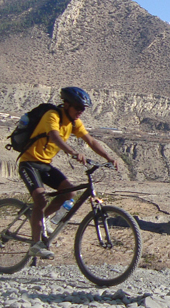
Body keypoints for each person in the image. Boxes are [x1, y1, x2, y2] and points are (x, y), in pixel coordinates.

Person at [18, 87, 119, 259]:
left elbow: (91, 141)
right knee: (40, 199)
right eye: (77, 108)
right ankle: (35, 244)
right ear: (66, 104)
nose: (80, 112)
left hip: (45, 165)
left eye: (83, 109)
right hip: (29, 163)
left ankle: (43, 219)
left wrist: (109, 157)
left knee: (70, 193)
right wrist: (72, 152)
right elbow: (55, 136)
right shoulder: (53, 116)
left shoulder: (73, 122)